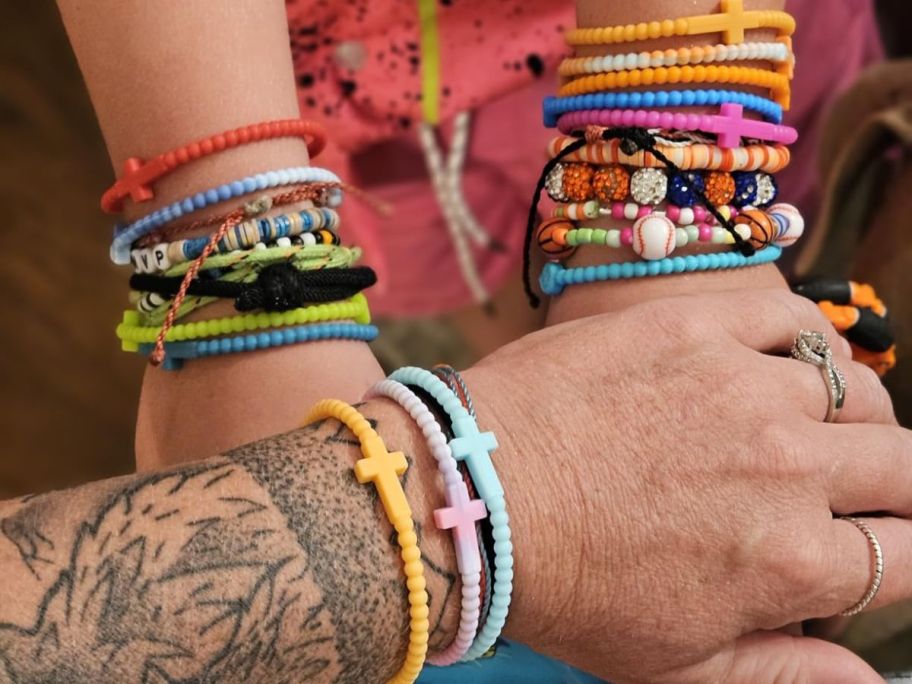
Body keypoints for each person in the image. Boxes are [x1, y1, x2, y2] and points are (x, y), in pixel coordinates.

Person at [0, 1, 908, 682]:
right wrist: (248, 267)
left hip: (655, 50)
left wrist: (667, 149)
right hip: (265, 75)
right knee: (505, 306)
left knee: (602, 339)